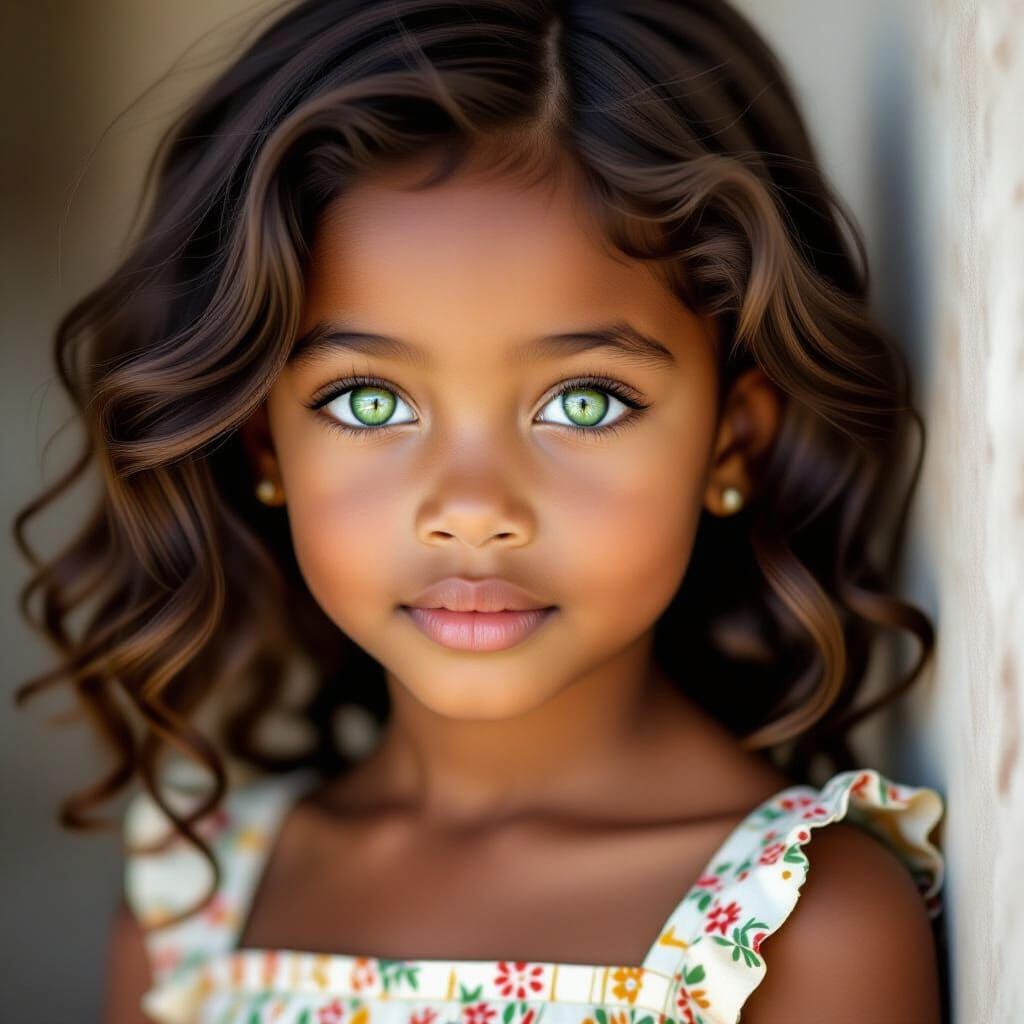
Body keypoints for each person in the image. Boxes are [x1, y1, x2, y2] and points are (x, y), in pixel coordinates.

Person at [13, 1, 947, 1021]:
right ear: (264, 441)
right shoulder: (189, 908)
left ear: (734, 439)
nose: (471, 511)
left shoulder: (802, 926)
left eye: (582, 403)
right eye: (369, 402)